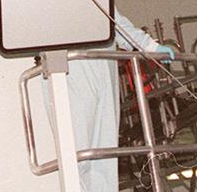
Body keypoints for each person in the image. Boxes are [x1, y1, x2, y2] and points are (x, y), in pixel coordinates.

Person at [53, 10, 176, 192]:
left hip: (103, 64)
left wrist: (147, 45)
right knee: (77, 153)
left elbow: (111, 15)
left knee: (105, 154)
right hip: (69, 66)